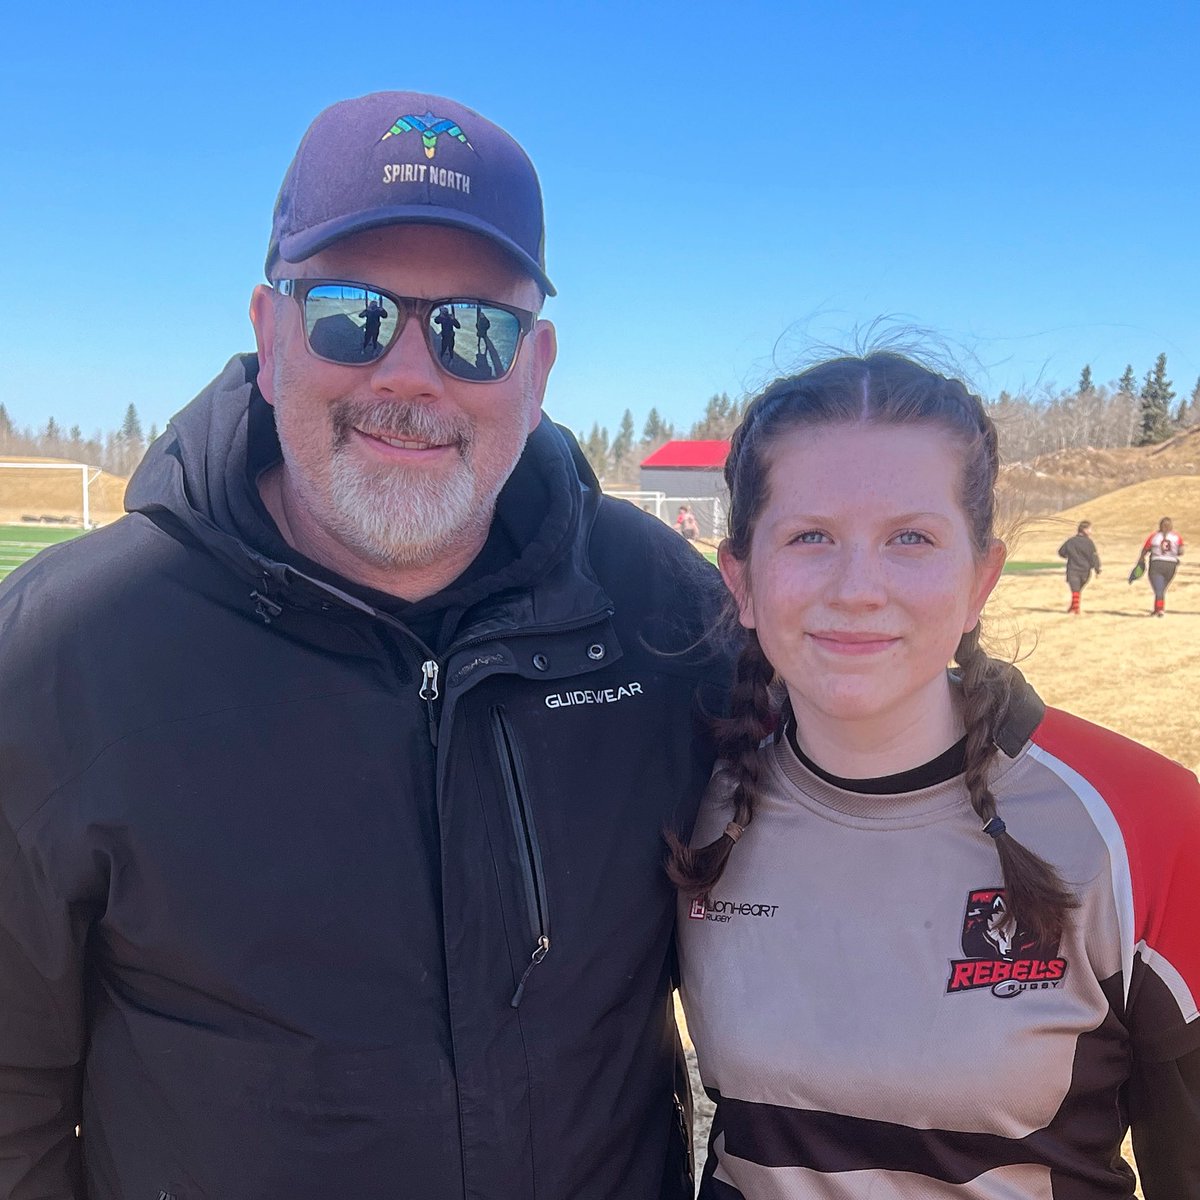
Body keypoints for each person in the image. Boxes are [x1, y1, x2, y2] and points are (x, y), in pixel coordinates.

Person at [0, 91, 729, 1200]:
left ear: (533, 371)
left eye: (472, 332)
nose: (408, 375)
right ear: (267, 331)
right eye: (350, 314)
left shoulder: (661, 614)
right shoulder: (67, 655)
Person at [671, 353, 1200, 1198]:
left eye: (910, 538)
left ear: (979, 580)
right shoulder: (690, 800)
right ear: (740, 580)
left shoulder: (1145, 823)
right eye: (810, 537)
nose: (857, 590)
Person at [1137, 516, 1184, 616]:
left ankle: (1159, 609)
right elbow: (1181, 551)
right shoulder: (1177, 537)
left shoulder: (1154, 536)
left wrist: (1141, 560)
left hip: (1157, 564)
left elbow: (1145, 549)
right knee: (1161, 589)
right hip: (1171, 565)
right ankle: (1157, 608)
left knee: (1159, 589)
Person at [1058, 518, 1101, 614]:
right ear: (1084, 530)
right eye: (1090, 529)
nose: (1091, 531)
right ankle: (1075, 609)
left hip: (1072, 569)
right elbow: (1094, 556)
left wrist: (1067, 556)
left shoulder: (1070, 541)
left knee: (1075, 591)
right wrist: (1097, 569)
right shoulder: (1089, 543)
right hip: (1085, 571)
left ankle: (1074, 608)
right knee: (1076, 590)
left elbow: (1061, 552)